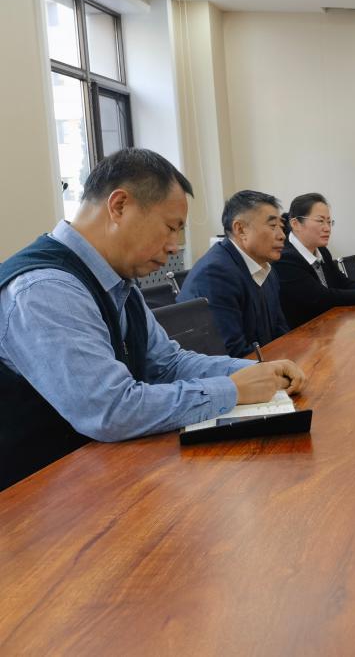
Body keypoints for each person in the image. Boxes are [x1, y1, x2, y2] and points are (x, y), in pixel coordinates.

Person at [0, 149, 305, 490]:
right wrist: (233, 390)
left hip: (98, 473)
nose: (175, 246)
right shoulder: (45, 289)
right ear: (119, 206)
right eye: (171, 228)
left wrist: (253, 371)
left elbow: (168, 363)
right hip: (34, 495)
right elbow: (111, 411)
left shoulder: (118, 281)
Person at [178, 190, 291, 357]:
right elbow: (232, 353)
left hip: (267, 363)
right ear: (240, 229)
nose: (282, 236)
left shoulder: (266, 267)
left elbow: (280, 329)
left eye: (281, 227)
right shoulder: (215, 274)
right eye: (272, 226)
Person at [276, 193, 355, 328]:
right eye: (320, 221)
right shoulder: (285, 258)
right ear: (295, 223)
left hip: (328, 326)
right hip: (302, 334)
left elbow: (342, 283)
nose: (327, 228)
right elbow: (321, 298)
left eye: (329, 222)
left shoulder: (322, 250)